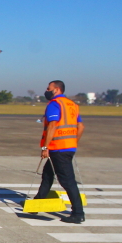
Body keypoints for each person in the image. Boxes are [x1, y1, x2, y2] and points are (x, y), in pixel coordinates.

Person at [35, 80, 85, 223]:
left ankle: (78, 213)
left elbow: (52, 125)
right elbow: (81, 127)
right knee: (47, 175)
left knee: (67, 181)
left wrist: (46, 147)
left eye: (48, 88)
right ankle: (37, 203)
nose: (46, 90)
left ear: (56, 89)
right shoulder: (72, 105)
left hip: (58, 148)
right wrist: (73, 142)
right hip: (68, 147)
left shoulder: (54, 104)